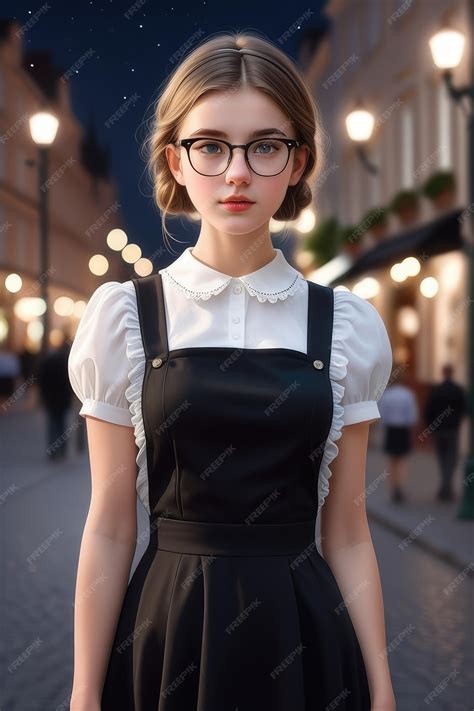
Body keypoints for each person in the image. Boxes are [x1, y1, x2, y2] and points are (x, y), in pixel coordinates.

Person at [67, 32, 395, 711]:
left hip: (306, 635)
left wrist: (384, 688)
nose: (237, 172)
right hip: (168, 632)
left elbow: (348, 532)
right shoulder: (126, 317)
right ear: (175, 161)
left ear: (298, 161)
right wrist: (84, 690)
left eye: (264, 146)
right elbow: (109, 524)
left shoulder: (347, 325)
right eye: (210, 145)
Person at [423, 363, 467, 501]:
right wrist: (457, 421)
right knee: (451, 459)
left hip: (439, 429)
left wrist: (431, 426)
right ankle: (447, 488)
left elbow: (428, 410)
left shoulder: (436, 390)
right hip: (452, 429)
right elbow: (464, 409)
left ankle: (445, 488)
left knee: (442, 459)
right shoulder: (458, 389)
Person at [378, 367, 418, 503]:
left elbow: (382, 415)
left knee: (392, 461)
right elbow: (412, 415)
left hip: (391, 429)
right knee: (402, 461)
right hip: (403, 430)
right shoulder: (408, 394)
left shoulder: (387, 395)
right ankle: (400, 486)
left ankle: (393, 487)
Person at [37, 336, 73, 460]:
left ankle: (53, 451)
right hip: (62, 398)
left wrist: (42, 396)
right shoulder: (65, 363)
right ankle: (62, 450)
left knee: (52, 423)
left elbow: (41, 380)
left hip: (50, 398)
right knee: (61, 423)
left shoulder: (47, 361)